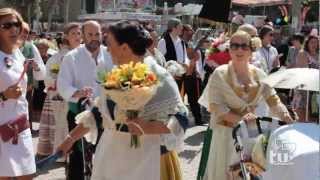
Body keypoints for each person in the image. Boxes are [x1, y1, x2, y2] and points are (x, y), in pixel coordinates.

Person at [57, 21, 187, 180]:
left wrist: (146, 126)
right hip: (112, 157)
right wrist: (70, 139)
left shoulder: (158, 76)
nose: (107, 48)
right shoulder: (115, 73)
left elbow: (180, 119)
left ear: (124, 47)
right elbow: (98, 113)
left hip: (148, 159)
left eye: (110, 44)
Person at [198, 30, 293, 180]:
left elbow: (273, 100)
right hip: (226, 136)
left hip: (251, 134)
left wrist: (287, 118)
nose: (239, 50)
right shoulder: (219, 74)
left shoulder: (260, 74)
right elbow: (217, 107)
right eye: (234, 46)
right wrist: (242, 119)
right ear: (229, 50)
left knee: (250, 173)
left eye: (244, 46)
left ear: (251, 50)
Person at [57, 20, 113, 180]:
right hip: (80, 113)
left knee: (104, 153)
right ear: (83, 35)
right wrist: (77, 93)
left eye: (97, 34)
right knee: (77, 155)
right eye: (90, 34)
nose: (94, 38)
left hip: (106, 114)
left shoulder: (109, 54)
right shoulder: (72, 57)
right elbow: (62, 85)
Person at [0, 8, 45, 179]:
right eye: (7, 25)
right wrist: (3, 95)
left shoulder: (18, 53)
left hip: (20, 127)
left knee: (27, 174)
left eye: (17, 24)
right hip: (1, 130)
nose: (14, 29)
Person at [36, 22, 82, 158]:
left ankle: (75, 154)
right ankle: (60, 153)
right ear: (66, 36)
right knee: (60, 125)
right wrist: (58, 83)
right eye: (73, 33)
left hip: (80, 98)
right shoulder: (57, 56)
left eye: (79, 33)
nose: (77, 36)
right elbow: (47, 76)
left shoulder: (86, 54)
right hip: (59, 98)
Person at [158, 18, 190, 91]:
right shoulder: (163, 41)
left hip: (180, 76)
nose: (182, 28)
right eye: (180, 26)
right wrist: (169, 72)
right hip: (168, 78)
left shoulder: (182, 42)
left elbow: (185, 56)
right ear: (173, 28)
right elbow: (159, 61)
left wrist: (186, 64)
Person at [293, 35, 319, 122]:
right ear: (307, 43)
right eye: (312, 42)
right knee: (302, 116)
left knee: (313, 117)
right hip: (303, 89)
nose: (314, 44)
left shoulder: (318, 55)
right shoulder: (303, 53)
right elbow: (303, 71)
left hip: (315, 91)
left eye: (316, 42)